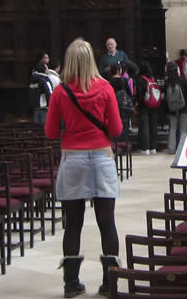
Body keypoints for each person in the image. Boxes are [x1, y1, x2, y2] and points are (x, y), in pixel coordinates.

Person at [45, 38, 124, 297]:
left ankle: (71, 284)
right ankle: (109, 284)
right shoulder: (105, 88)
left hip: (73, 158)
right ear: (92, 60)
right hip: (101, 156)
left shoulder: (60, 91)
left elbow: (50, 132)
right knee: (106, 222)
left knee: (73, 225)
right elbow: (116, 130)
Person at [134, 61, 160, 154]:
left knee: (144, 126)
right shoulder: (153, 78)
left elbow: (139, 93)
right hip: (154, 105)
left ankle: (145, 148)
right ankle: (153, 147)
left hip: (143, 105)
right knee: (153, 126)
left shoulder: (140, 79)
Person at [164, 62, 187, 154]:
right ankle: (182, 149)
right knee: (183, 129)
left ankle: (171, 149)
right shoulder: (182, 81)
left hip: (171, 109)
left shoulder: (166, 82)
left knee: (172, 129)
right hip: (183, 108)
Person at [30, 60, 54, 125]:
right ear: (44, 70)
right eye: (47, 69)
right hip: (44, 107)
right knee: (45, 128)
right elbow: (49, 93)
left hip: (35, 106)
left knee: (36, 128)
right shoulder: (44, 80)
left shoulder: (33, 80)